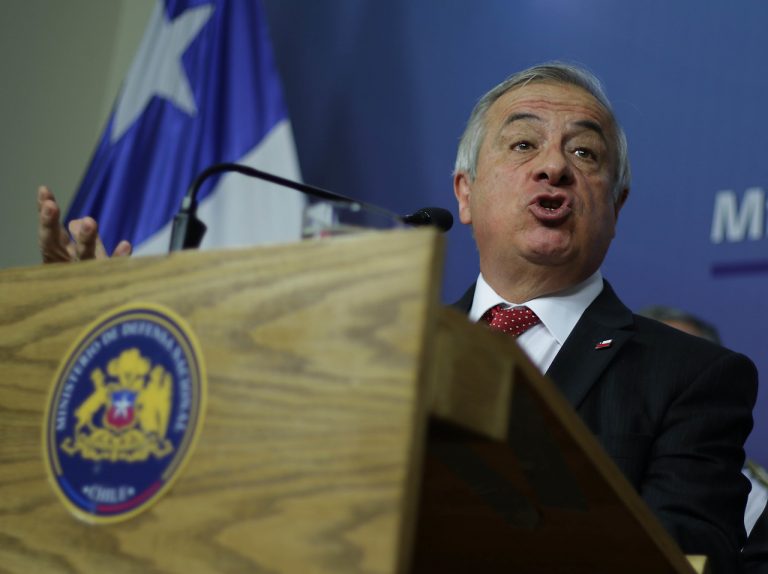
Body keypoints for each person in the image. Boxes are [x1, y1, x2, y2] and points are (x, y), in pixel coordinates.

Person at [38, 62, 757, 572]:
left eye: (584, 152)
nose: (554, 168)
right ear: (464, 193)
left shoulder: (692, 377)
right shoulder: (377, 352)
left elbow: (686, 557)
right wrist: (106, 327)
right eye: (523, 144)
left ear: (616, 206)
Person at [639, 305, 768, 574]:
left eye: (685, 367)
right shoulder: (597, 462)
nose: (672, 384)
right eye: (659, 368)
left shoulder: (754, 496)